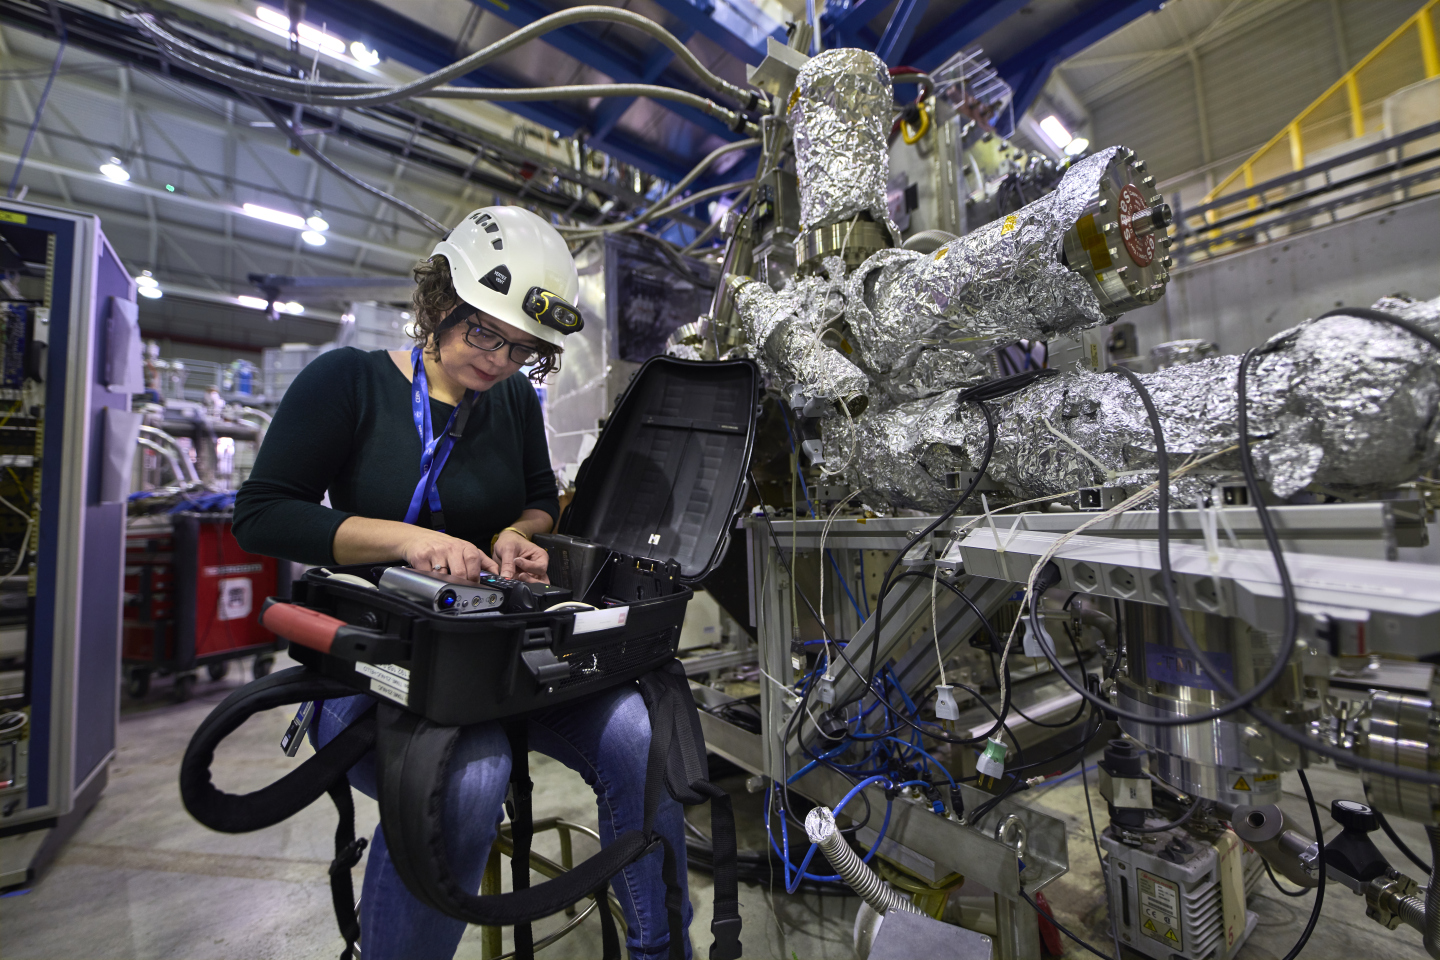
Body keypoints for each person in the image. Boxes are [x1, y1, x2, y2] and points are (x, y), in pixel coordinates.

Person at [233, 206, 692, 960]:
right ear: (439, 301)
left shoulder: (509, 400)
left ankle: (658, 950)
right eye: (485, 332)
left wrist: (519, 535)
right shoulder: (348, 381)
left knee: (643, 737)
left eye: (522, 349)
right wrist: (409, 540)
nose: (501, 361)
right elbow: (260, 516)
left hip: (487, 653)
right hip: (374, 660)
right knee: (468, 781)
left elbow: (542, 501)